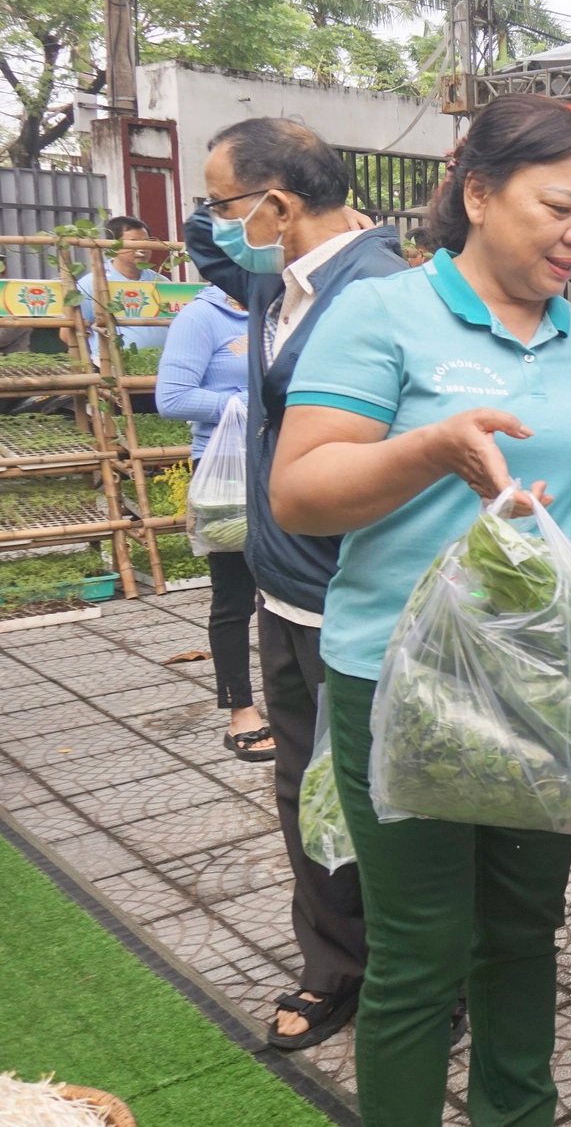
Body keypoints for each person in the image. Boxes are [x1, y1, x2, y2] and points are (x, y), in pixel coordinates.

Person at [267, 94, 571, 1127]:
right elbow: (300, 490)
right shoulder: (381, 314)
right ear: (479, 193)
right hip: (400, 677)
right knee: (420, 946)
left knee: (522, 933)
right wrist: (431, 447)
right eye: (558, 206)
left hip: (546, 677)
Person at [186, 119, 408, 1053]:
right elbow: (205, 245)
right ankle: (333, 967)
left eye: (229, 203)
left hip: (361, 598)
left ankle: (418, 968)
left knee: (388, 799)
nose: (213, 224)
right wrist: (222, 214)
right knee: (300, 790)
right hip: (285, 592)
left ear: (278, 205)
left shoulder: (388, 292)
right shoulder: (269, 278)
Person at [155, 282, 267, 759]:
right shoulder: (201, 318)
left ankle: (299, 700)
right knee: (235, 593)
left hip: (288, 461)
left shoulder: (280, 306)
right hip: (229, 472)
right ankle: (239, 708)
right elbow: (173, 399)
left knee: (296, 587)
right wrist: (247, 405)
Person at [70, 215, 171, 364]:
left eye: (146, 242)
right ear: (114, 245)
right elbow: (69, 333)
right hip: (112, 367)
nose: (142, 248)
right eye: (134, 242)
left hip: (160, 365)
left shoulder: (161, 282)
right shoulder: (92, 283)